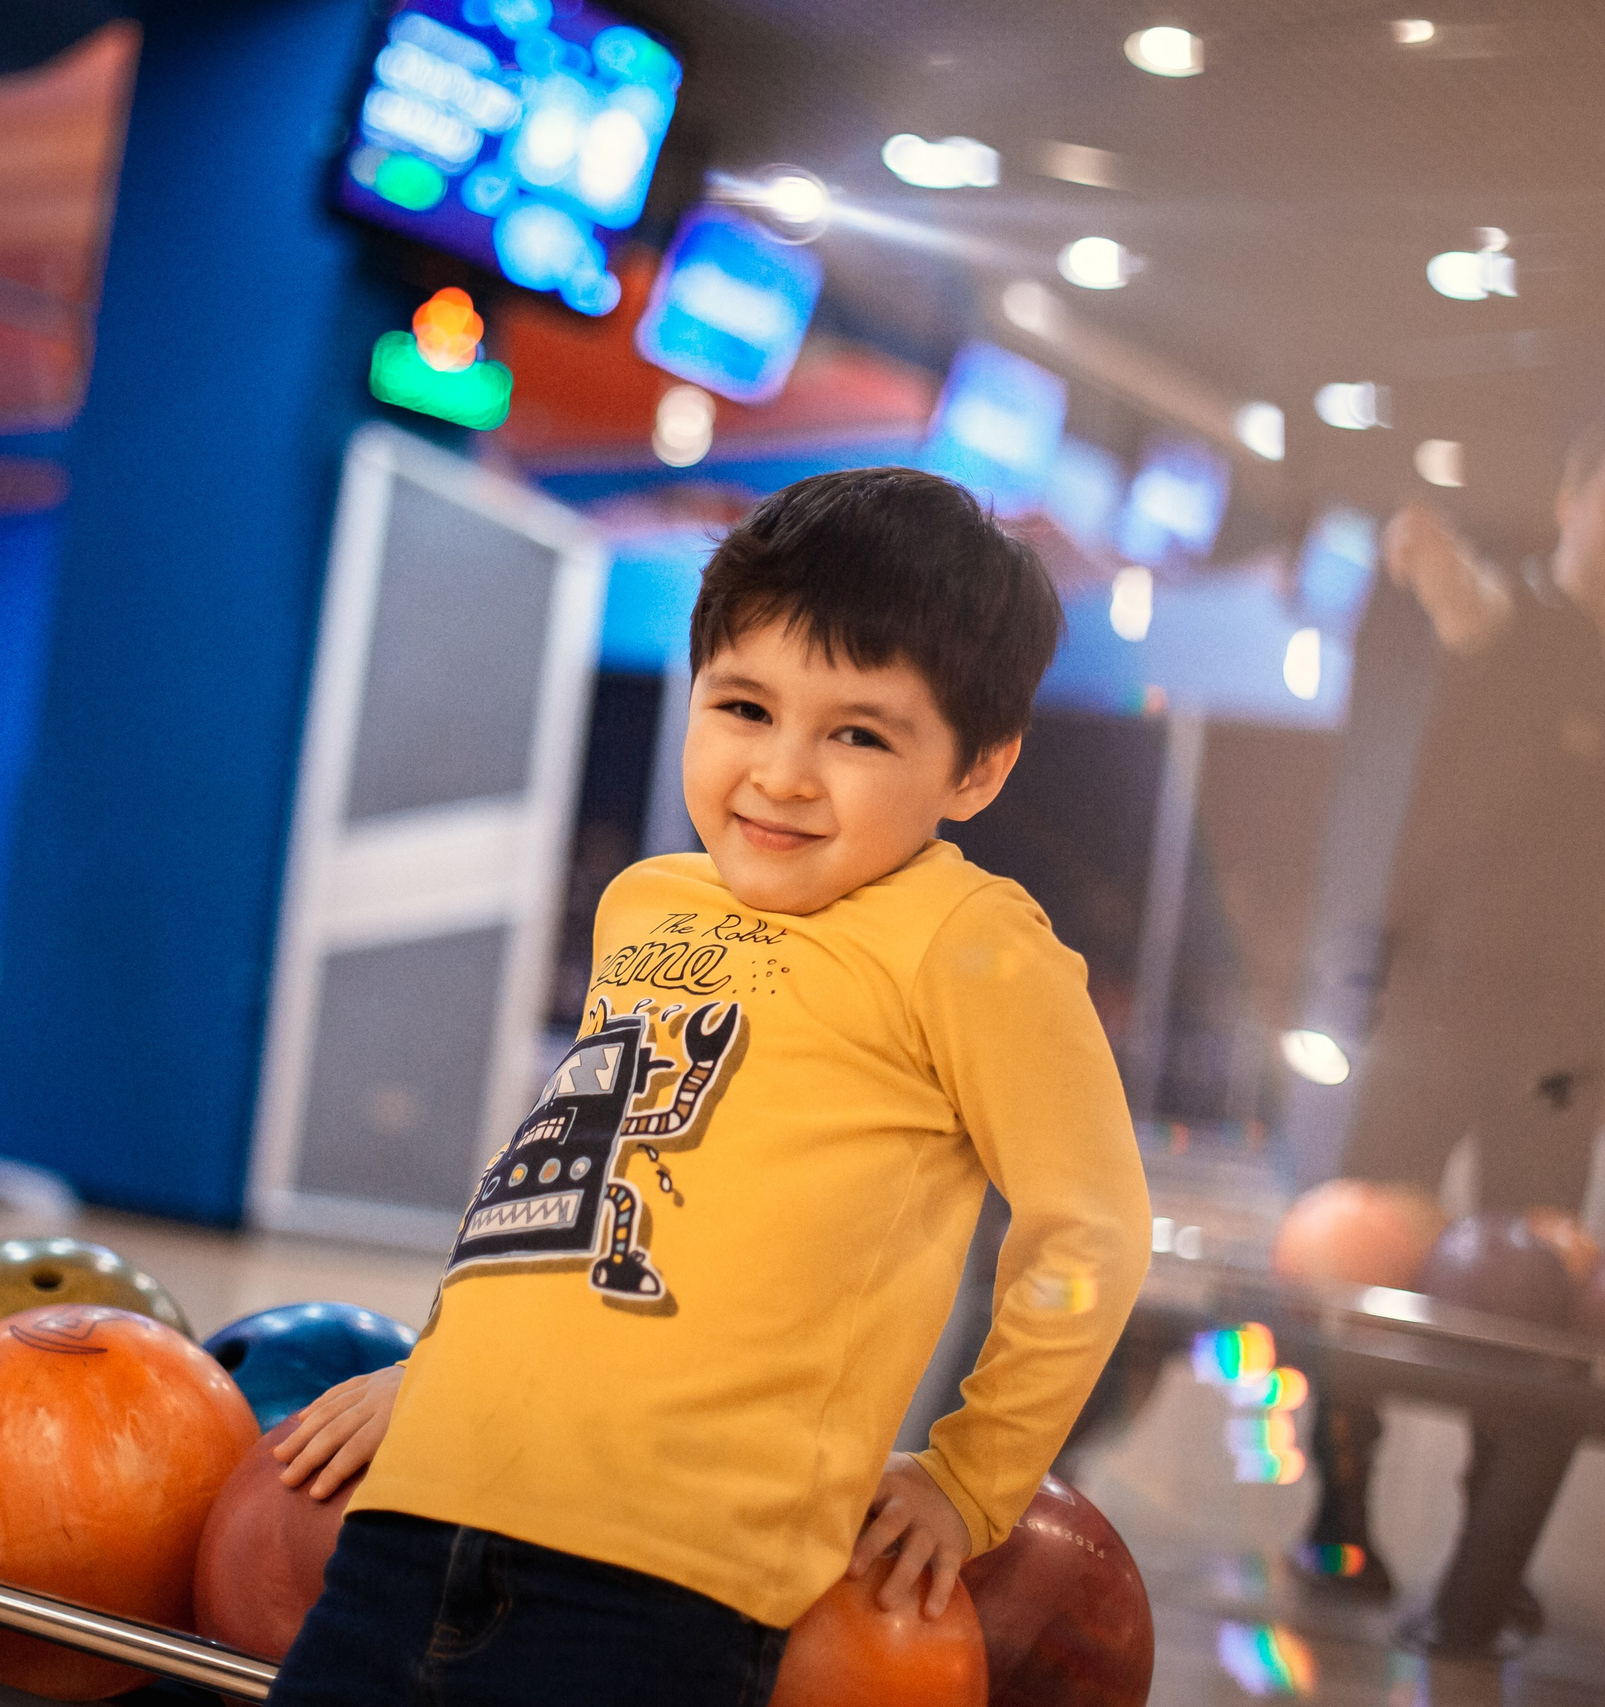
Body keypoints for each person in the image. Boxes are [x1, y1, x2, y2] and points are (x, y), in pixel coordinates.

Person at [256, 467, 1154, 1707]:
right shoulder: (647, 903)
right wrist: (440, 1369)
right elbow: (566, 1183)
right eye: (743, 706)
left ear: (975, 773)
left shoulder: (968, 939)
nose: (781, 773)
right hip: (418, 1522)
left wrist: (969, 1475)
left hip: (656, 1584)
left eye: (857, 733)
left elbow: (1091, 1226)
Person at [1297, 423, 1605, 1622]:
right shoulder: (1521, 624)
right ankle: (1339, 1518)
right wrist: (1432, 554)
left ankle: (1485, 1553)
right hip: (1445, 996)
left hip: (1559, 1033)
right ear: (1568, 499)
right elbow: (1475, 612)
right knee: (1368, 1249)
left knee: (1534, 1283)